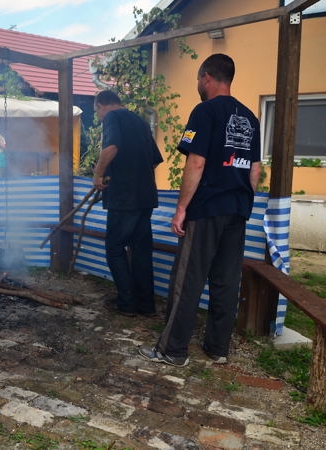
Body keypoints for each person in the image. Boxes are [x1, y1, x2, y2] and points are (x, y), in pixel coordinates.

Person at [139, 54, 262, 367]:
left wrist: (181, 209)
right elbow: (255, 171)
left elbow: (196, 161)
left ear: (207, 77)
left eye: (198, 79)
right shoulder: (250, 118)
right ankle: (218, 348)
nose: (198, 84)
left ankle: (172, 350)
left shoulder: (204, 111)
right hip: (237, 209)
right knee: (226, 280)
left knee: (188, 279)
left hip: (207, 208)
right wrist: (243, 202)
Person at [92, 90, 163, 318]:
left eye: (97, 111)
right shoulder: (140, 121)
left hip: (124, 198)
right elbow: (154, 160)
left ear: (103, 105)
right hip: (145, 198)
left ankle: (127, 304)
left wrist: (98, 175)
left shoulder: (113, 118)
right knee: (141, 250)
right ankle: (146, 305)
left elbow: (111, 148)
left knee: (114, 248)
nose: (99, 116)